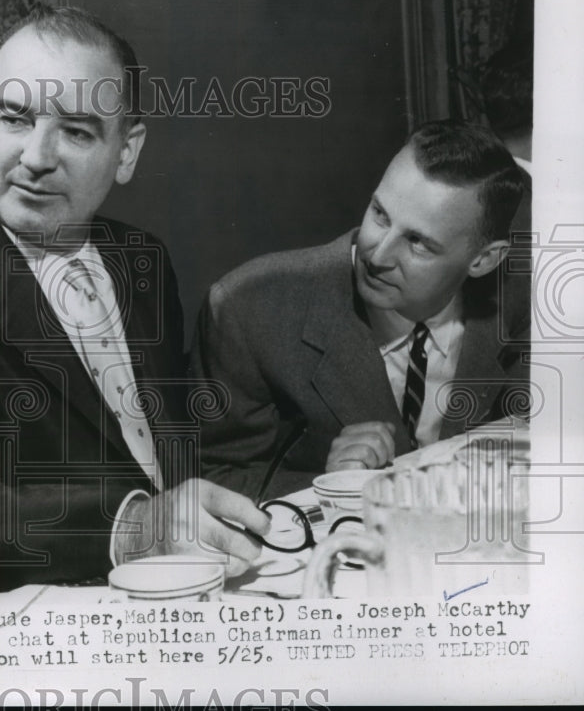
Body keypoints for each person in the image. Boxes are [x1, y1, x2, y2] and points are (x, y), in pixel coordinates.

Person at [0, 5, 270, 603]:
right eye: (15, 119)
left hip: (187, 593)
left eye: (76, 131)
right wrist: (137, 527)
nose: (37, 156)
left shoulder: (141, 261)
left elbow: (166, 458)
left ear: (126, 152)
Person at [191, 120, 531, 500]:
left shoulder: (530, 305)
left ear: (484, 260)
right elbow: (214, 480)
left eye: (417, 242)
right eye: (380, 213)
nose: (377, 253)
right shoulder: (247, 309)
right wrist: (330, 485)